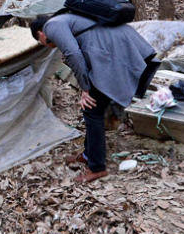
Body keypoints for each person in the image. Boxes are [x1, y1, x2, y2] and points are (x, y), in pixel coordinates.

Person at [30, 13, 156, 183]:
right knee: (92, 110)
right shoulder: (64, 19)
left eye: (45, 43)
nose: (50, 46)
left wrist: (85, 88)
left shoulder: (51, 26)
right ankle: (88, 155)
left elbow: (73, 53)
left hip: (113, 51)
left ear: (40, 34)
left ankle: (97, 168)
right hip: (116, 47)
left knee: (92, 110)